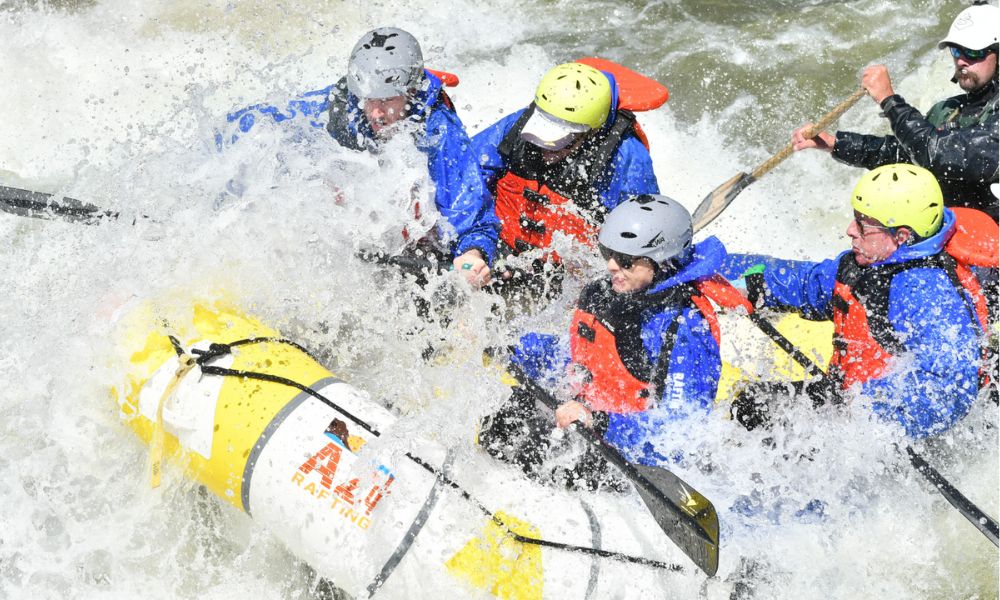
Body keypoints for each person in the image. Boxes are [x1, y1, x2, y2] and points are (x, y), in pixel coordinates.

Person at [479, 195, 747, 486]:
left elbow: (683, 431)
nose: (610, 265)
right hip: (584, 418)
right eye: (608, 252)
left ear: (662, 261)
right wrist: (519, 351)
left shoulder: (684, 329)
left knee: (554, 468)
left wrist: (601, 422)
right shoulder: (605, 292)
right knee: (500, 428)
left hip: (628, 450)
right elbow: (575, 354)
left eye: (626, 260)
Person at [218, 27, 499, 288]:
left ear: (411, 91)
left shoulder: (438, 128)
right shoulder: (342, 106)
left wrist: (472, 255)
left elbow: (472, 216)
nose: (376, 112)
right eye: (370, 99)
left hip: (418, 249)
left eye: (387, 100)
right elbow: (247, 125)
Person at [728, 164, 990, 439]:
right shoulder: (868, 262)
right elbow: (810, 283)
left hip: (880, 417)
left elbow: (951, 388)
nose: (850, 230)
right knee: (752, 404)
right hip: (850, 397)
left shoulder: (925, 293)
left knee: (756, 412)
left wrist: (860, 406)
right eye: (855, 218)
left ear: (900, 236)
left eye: (863, 225)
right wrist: (744, 285)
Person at [791, 2, 999, 223]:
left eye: (973, 52)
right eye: (956, 50)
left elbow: (937, 154)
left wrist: (889, 101)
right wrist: (835, 144)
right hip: (949, 235)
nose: (961, 60)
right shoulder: (950, 111)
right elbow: (906, 156)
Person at [472, 62, 660, 288]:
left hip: (572, 276)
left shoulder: (626, 157)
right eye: (540, 138)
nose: (546, 150)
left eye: (560, 143)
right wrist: (475, 249)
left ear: (591, 131)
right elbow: (466, 181)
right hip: (503, 251)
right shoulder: (516, 126)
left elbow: (642, 226)